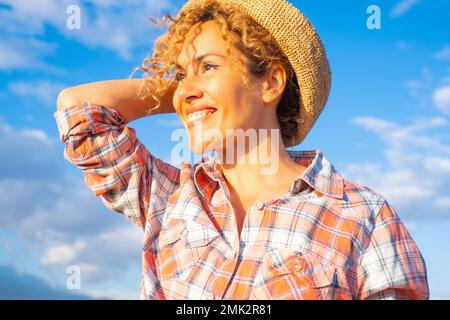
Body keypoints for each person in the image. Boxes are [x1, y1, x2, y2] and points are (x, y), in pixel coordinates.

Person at [54, 0, 429, 299]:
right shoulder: (169, 197)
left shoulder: (363, 216)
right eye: (182, 73)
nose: (185, 87)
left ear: (271, 83)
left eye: (209, 66)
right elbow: (79, 109)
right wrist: (191, 93)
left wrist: (206, 93)